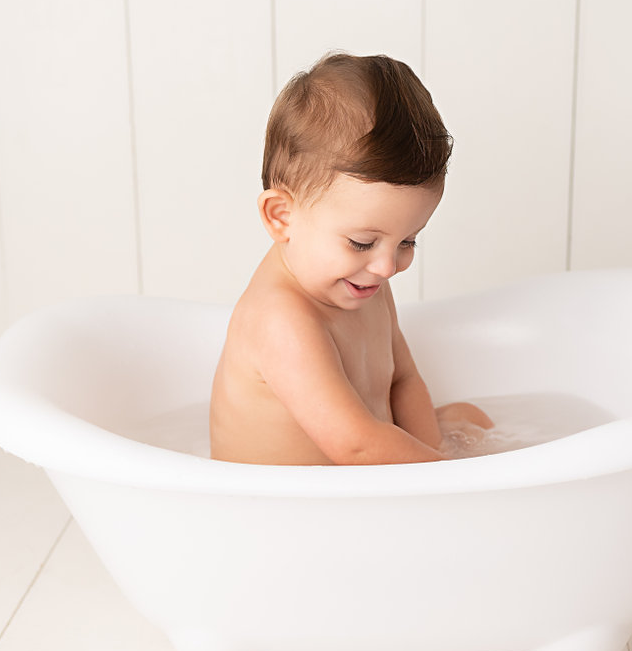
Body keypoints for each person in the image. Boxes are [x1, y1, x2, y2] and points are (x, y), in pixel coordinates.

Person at [209, 52, 492, 465]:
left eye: (407, 241)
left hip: (357, 475)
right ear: (282, 216)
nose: (387, 266)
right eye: (362, 242)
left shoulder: (367, 280)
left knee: (472, 418)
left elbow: (403, 380)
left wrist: (437, 452)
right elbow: (355, 445)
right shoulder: (280, 319)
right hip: (286, 507)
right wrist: (453, 480)